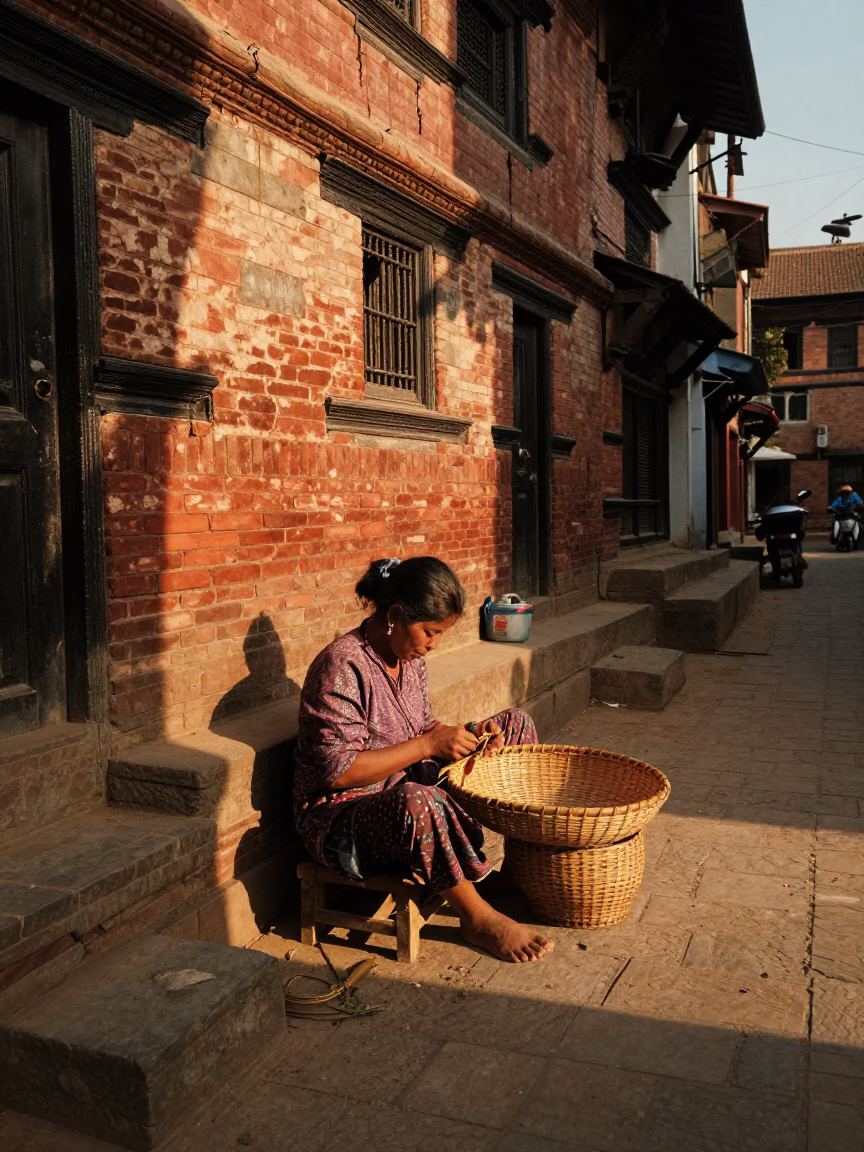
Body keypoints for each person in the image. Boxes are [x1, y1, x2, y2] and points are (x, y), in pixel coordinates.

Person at [293, 556, 554, 963]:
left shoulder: (408, 657)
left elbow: (419, 724)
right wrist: (428, 747)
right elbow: (338, 772)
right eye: (430, 632)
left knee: (514, 724)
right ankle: (477, 917)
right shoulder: (341, 666)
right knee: (419, 800)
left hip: (409, 780)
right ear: (395, 615)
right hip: (344, 820)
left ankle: (511, 870)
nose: (433, 645)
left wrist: (464, 737)